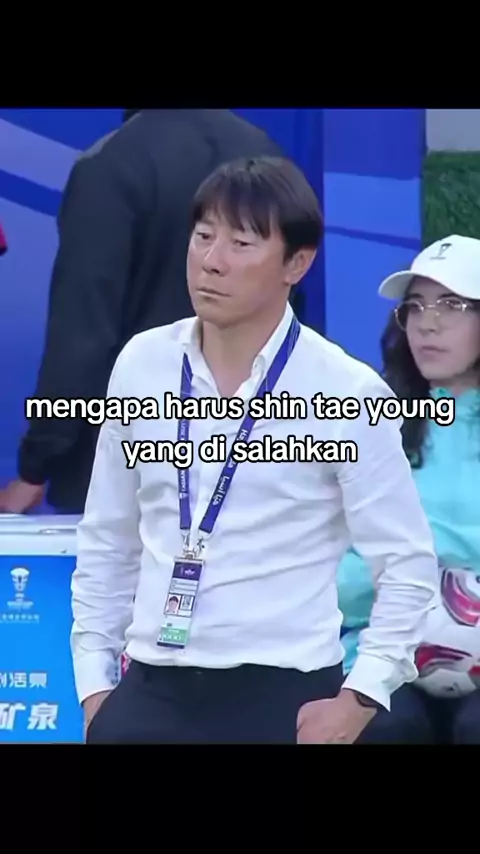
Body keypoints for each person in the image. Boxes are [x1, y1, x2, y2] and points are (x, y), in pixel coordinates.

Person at [71, 155, 438, 745]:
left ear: (298, 262)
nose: (212, 260)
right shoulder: (142, 364)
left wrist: (360, 698)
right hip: (150, 690)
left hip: (284, 694)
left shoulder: (345, 391)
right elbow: (107, 537)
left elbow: (406, 564)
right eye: (203, 236)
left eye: (241, 243)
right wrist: (94, 687)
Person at [0, 109, 282, 515]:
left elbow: (82, 335)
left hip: (128, 471)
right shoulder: (268, 157)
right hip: (247, 464)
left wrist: (35, 468)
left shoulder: (111, 165)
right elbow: (286, 321)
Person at [338, 234, 480, 744]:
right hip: (380, 653)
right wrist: (413, 585)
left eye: (452, 305)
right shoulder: (371, 422)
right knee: (388, 727)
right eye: (415, 307)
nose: (427, 323)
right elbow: (339, 568)